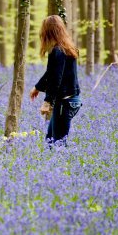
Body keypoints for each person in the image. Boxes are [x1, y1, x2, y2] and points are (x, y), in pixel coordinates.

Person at [29, 15, 82, 144]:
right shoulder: (67, 48)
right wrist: (37, 87)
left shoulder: (57, 51)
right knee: (51, 140)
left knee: (58, 143)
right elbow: (51, 72)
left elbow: (56, 78)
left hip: (65, 102)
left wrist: (47, 101)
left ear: (48, 32)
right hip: (70, 100)